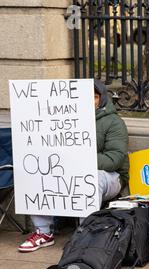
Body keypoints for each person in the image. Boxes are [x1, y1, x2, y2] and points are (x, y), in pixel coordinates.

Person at [18, 79, 129, 252]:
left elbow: (115, 159)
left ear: (102, 99)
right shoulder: (62, 118)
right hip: (68, 172)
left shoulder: (113, 122)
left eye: (94, 97)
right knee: (37, 172)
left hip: (110, 177)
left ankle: (85, 234)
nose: (89, 101)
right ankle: (43, 232)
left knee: (92, 179)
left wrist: (79, 159)